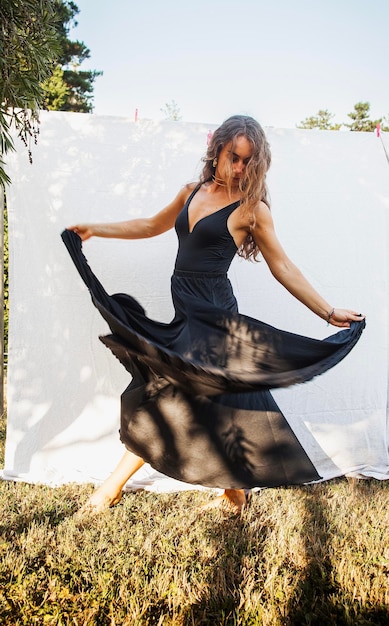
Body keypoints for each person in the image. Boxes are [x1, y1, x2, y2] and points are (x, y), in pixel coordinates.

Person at [63, 115, 365, 514]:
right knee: (214, 404)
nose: (239, 168)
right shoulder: (191, 191)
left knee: (169, 396)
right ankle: (234, 494)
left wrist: (327, 312)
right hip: (187, 312)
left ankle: (110, 489)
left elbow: (283, 267)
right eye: (233, 157)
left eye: (248, 162)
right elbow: (151, 224)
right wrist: (95, 229)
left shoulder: (252, 208)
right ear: (217, 149)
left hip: (214, 316)